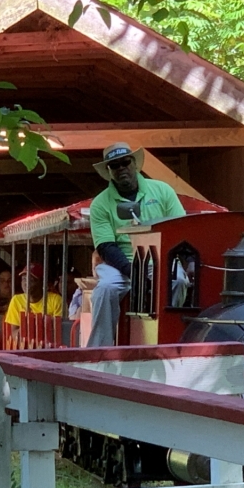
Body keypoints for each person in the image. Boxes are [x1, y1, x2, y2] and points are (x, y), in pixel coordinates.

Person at [87, 142, 185, 346]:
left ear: (135, 164)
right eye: (115, 165)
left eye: (125, 162)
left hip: (161, 259)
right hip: (120, 265)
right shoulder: (100, 203)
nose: (122, 168)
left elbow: (181, 230)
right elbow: (106, 246)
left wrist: (162, 264)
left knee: (180, 281)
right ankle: (98, 351)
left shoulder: (163, 191)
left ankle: (173, 339)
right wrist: (133, 271)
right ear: (109, 171)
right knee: (104, 289)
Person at [5, 263, 64, 346]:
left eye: (31, 279)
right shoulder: (16, 300)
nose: (26, 282)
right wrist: (28, 325)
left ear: (42, 283)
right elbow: (14, 334)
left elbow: (59, 332)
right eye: (23, 278)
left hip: (49, 346)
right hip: (25, 347)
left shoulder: (56, 300)